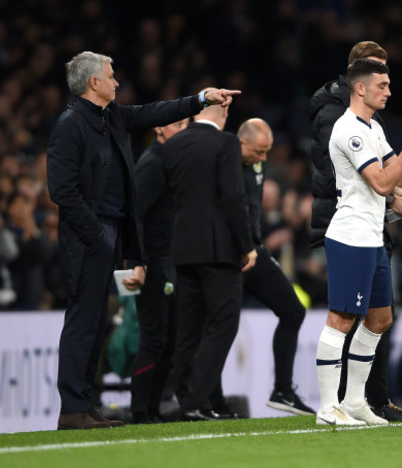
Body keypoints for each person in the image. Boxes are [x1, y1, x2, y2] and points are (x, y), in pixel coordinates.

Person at [47, 51, 240, 430]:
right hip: (90, 235)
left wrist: (200, 98)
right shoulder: (70, 124)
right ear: (94, 83)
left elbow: (156, 112)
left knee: (95, 324)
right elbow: (62, 191)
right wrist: (95, 235)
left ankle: (85, 405)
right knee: (83, 322)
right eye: (111, 75)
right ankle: (72, 407)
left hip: (109, 234)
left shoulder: (110, 117)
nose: (117, 81)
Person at [314, 58, 402, 425]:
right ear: (360, 87)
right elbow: (385, 184)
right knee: (341, 318)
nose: (389, 91)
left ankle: (356, 402)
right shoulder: (350, 131)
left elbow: (400, 174)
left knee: (380, 318)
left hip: (372, 237)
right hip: (350, 236)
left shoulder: (371, 128)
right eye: (382, 85)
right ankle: (328, 407)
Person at [163, 88, 257, 422]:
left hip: (184, 249)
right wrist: (246, 244)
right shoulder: (227, 143)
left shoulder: (172, 145)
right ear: (225, 109)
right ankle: (195, 399)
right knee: (223, 323)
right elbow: (233, 196)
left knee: (189, 328)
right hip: (219, 249)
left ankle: (191, 398)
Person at [237, 118, 314, 415]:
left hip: (254, 252)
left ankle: (282, 390)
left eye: (267, 151)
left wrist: (254, 244)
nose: (264, 158)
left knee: (293, 310)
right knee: (218, 325)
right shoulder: (223, 163)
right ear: (242, 142)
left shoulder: (255, 165)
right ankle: (203, 399)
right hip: (229, 255)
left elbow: (252, 209)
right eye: (259, 151)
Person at [129, 117, 189, 424]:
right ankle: (140, 409)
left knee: (168, 339)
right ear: (159, 129)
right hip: (152, 262)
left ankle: (152, 408)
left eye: (185, 124)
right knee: (154, 337)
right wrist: (138, 260)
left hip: (170, 262)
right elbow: (135, 213)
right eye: (177, 125)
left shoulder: (171, 162)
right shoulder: (152, 163)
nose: (183, 129)